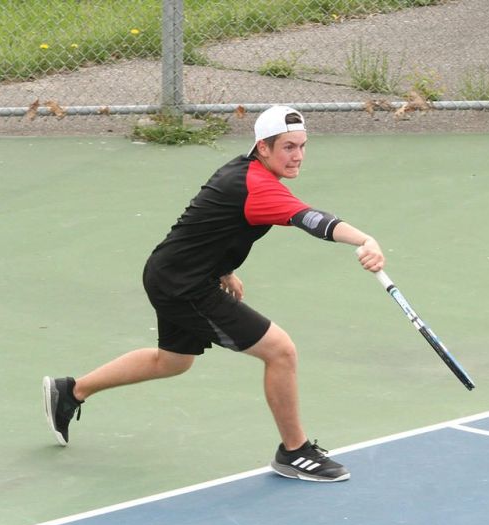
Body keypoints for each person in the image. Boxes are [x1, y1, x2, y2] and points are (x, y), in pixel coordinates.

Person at [42, 105, 385, 482]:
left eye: (302, 146)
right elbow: (313, 220)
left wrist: (224, 269)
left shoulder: (243, 172)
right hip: (185, 284)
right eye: (288, 147)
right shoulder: (257, 185)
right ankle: (294, 452)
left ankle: (71, 391)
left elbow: (210, 226)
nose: (298, 155)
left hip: (172, 272)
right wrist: (365, 239)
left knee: (172, 361)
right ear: (264, 147)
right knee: (281, 351)